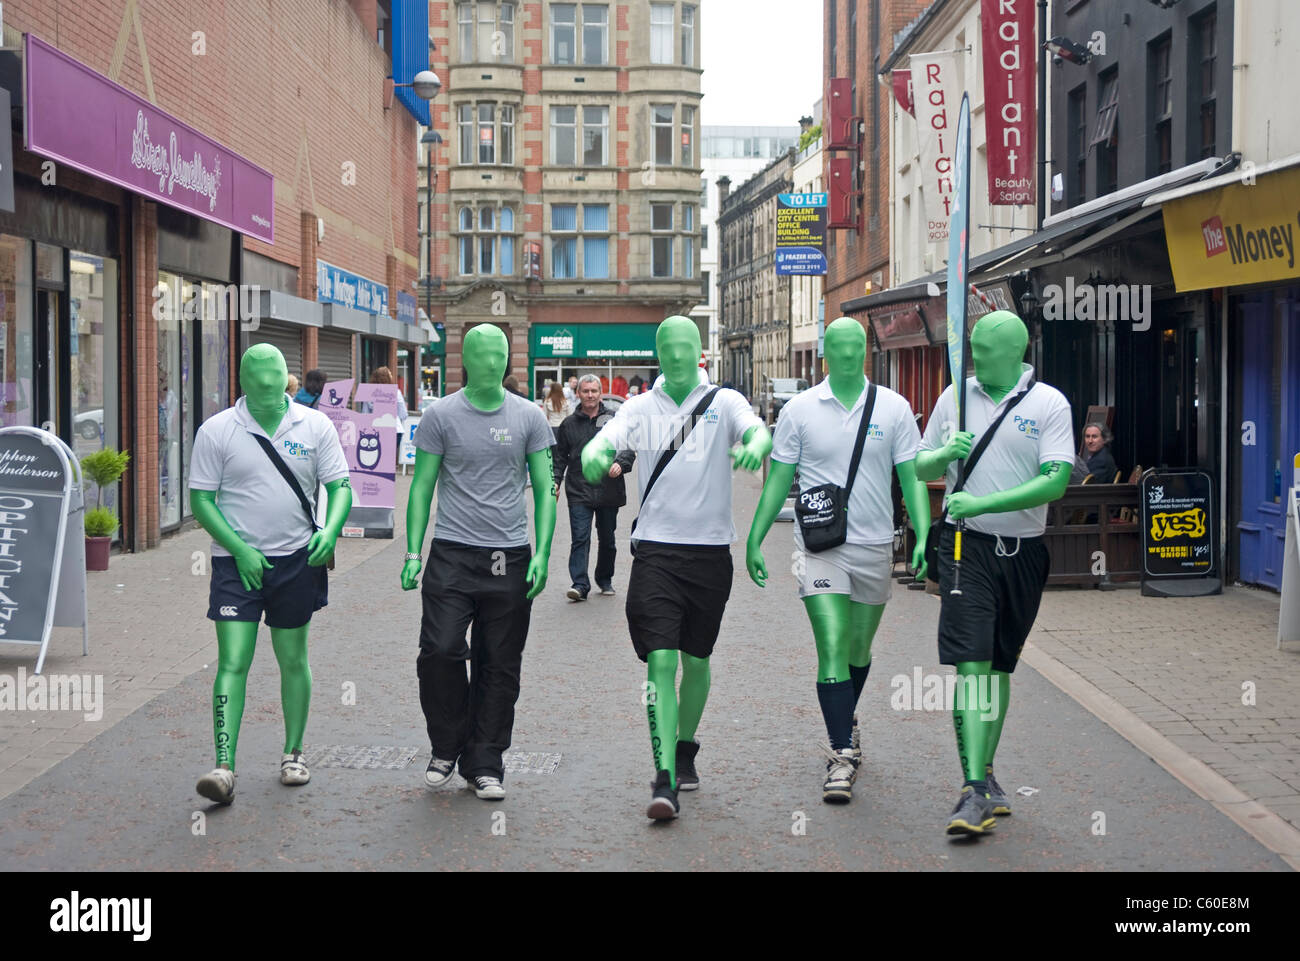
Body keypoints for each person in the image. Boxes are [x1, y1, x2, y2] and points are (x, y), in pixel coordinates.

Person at [581, 315, 771, 821]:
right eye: (670, 347)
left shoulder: (725, 400)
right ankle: (663, 775)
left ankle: (686, 747)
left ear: (700, 351)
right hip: (657, 552)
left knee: (698, 661)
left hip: (710, 553)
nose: (680, 355)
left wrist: (755, 445)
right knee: (661, 662)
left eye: (688, 346)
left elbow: (756, 430)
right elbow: (610, 434)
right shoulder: (641, 406)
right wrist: (596, 450)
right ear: (659, 354)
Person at [746, 317, 931, 804]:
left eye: (856, 346)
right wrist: (755, 537)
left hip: (875, 546)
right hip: (819, 547)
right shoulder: (801, 410)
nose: (848, 354)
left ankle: (844, 714)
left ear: (866, 351)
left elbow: (910, 477)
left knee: (857, 651)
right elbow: (779, 479)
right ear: (825, 353)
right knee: (831, 645)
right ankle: (841, 753)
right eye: (838, 347)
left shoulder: (894, 407)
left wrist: (924, 534)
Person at [916, 310, 1074, 837]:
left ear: (1013, 351)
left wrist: (985, 500)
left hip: (1025, 553)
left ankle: (984, 772)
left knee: (1000, 666)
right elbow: (919, 466)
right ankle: (972, 788)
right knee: (971, 664)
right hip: (966, 547)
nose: (973, 359)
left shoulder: (1050, 404)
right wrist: (943, 453)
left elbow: (1054, 483)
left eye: (982, 350)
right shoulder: (955, 396)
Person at [189, 344, 353, 805]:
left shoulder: (314, 425)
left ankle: (294, 752)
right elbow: (200, 499)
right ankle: (223, 766)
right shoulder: (218, 430)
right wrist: (239, 549)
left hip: (296, 560)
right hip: (233, 564)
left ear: (286, 381)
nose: (266, 391)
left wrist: (331, 530)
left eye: (274, 382)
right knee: (232, 661)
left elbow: (339, 486)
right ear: (242, 383)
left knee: (292, 657)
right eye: (256, 384)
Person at [401, 323, 556, 801]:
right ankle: (446, 746)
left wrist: (544, 551)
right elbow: (422, 484)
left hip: (509, 557)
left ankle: (486, 759)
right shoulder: (440, 415)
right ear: (464, 359)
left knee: (500, 663)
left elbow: (547, 489)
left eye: (500, 354)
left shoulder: (530, 417)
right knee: (441, 651)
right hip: (451, 552)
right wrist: (413, 550)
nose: (493, 363)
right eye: (483, 354)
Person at [553, 374, 634, 601]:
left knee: (607, 539)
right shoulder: (569, 424)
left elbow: (628, 447)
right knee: (580, 537)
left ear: (600, 393)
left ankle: (604, 578)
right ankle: (580, 584)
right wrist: (555, 482)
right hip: (579, 489)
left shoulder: (614, 420)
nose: (590, 395)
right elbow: (560, 458)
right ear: (578, 394)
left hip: (609, 489)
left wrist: (621, 463)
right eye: (585, 391)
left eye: (594, 391)